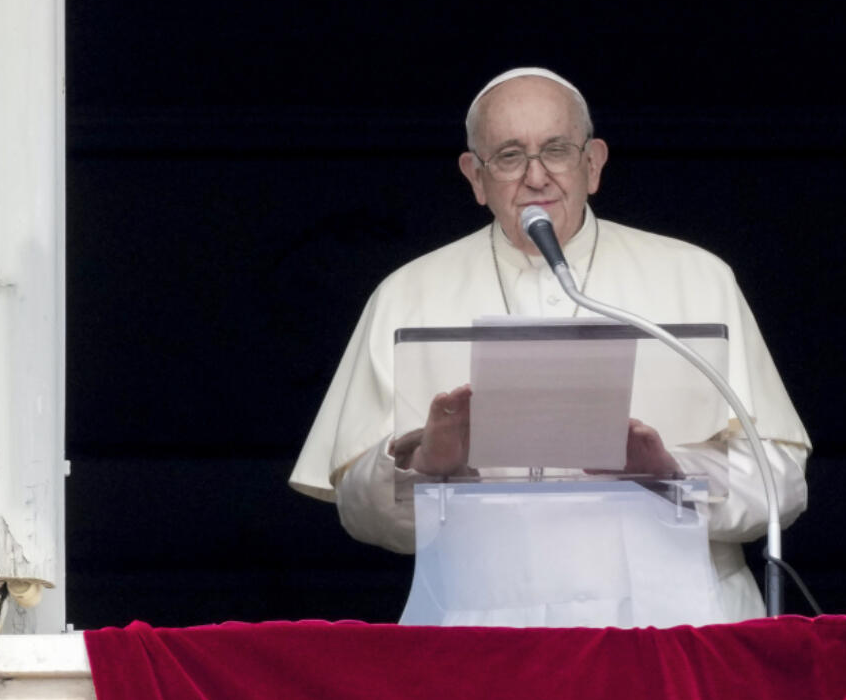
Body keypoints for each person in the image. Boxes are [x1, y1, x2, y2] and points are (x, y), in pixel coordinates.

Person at [288, 67, 811, 624]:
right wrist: (423, 469)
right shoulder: (406, 294)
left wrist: (670, 473)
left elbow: (781, 484)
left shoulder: (698, 277)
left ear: (593, 164)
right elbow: (359, 513)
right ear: (475, 177)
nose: (537, 178)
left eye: (557, 150)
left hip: (675, 627)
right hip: (482, 631)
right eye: (510, 156)